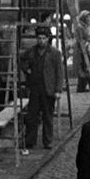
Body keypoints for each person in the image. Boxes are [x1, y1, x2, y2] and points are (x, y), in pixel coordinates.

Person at [20, 25, 65, 153]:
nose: (41, 41)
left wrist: (58, 90)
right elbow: (22, 59)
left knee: (48, 116)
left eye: (44, 38)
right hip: (34, 89)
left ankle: (48, 141)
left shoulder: (55, 53)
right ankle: (30, 140)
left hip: (48, 90)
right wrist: (26, 69)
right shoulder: (32, 51)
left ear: (48, 39)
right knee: (32, 116)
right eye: (39, 38)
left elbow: (59, 73)